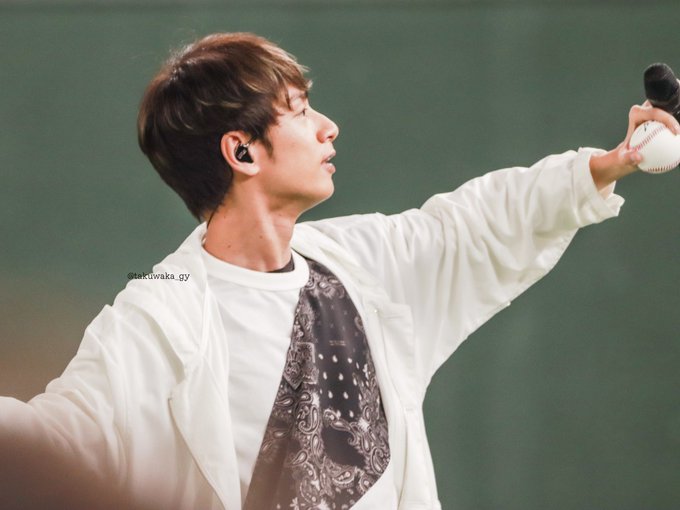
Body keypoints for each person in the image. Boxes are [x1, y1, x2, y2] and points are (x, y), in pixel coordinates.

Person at [0, 32, 678, 510]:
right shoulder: (158, 317)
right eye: (299, 111)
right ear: (242, 151)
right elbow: (58, 438)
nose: (328, 127)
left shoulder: (358, 263)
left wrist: (612, 162)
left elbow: (477, 223)